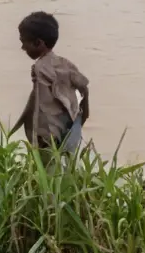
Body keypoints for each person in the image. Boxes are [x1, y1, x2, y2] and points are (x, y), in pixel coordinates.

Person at [10, 11, 89, 157]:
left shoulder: (39, 69)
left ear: (38, 43)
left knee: (48, 169)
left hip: (49, 135)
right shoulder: (65, 64)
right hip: (69, 126)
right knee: (65, 166)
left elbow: (41, 105)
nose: (22, 48)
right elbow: (84, 88)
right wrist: (83, 116)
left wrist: (39, 138)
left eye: (24, 42)